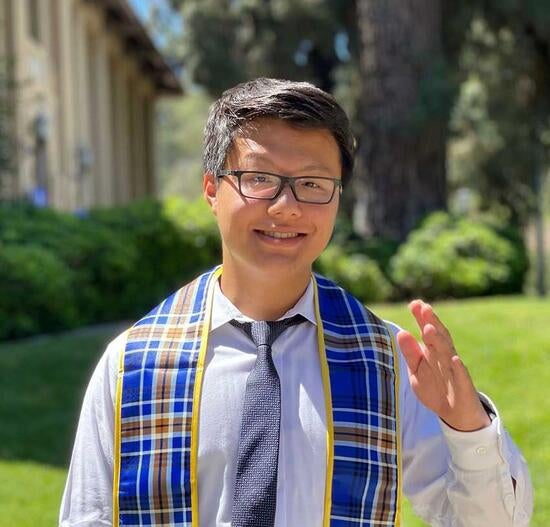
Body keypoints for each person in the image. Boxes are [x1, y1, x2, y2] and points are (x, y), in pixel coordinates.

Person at [60, 78, 533, 527]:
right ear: (211, 190)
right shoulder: (133, 363)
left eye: (312, 184)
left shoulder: (388, 361)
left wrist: (467, 426)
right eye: (260, 178)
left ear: (337, 199)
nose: (287, 206)